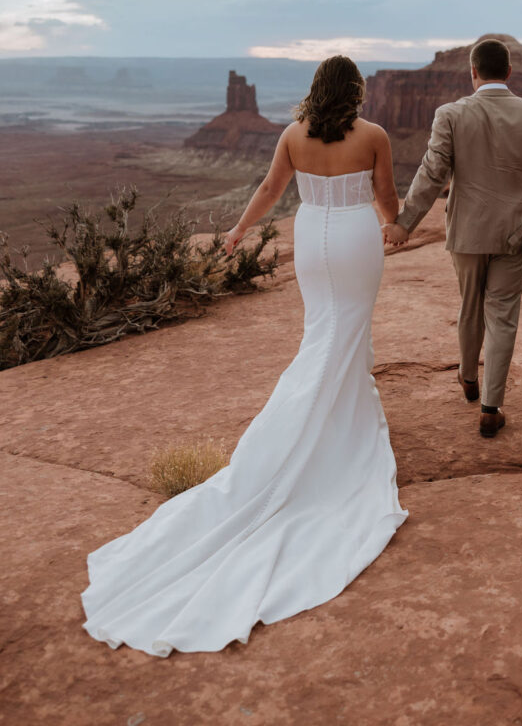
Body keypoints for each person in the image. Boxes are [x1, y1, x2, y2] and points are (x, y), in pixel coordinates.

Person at [81, 55, 408, 657]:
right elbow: (386, 194)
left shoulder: (291, 135)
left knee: (325, 331)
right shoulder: (375, 136)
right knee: (344, 332)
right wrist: (397, 225)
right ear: (356, 92)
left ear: (316, 90)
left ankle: (329, 416)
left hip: (311, 238)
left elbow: (269, 191)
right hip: (358, 238)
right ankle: (325, 427)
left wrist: (236, 232)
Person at [383, 38, 522, 438]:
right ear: (510, 73)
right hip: (516, 232)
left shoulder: (450, 114)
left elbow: (432, 174)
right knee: (502, 315)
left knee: (469, 304)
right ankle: (491, 406)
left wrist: (404, 223)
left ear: (473, 72)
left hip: (466, 231)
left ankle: (467, 378)